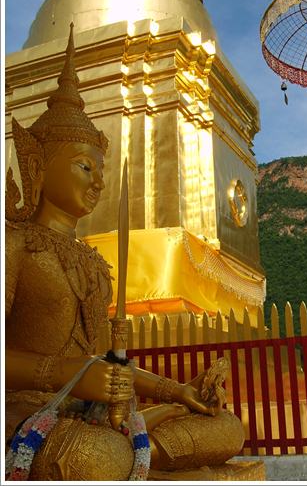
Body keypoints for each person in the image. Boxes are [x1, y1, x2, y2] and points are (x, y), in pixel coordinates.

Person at [4, 25, 244, 481]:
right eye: (84, 166)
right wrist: (62, 373)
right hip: (25, 411)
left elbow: (106, 365)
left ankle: (141, 454)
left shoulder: (93, 264)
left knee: (227, 429)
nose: (98, 181)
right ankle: (138, 457)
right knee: (98, 455)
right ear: (38, 165)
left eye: (101, 169)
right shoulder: (14, 244)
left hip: (90, 415)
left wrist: (177, 391)